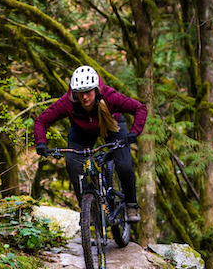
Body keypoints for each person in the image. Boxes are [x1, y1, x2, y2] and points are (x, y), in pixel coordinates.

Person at [33, 65, 146, 222]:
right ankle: (87, 208)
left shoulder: (109, 96)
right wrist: (41, 143)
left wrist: (134, 132)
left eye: (88, 92)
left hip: (112, 126)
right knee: (72, 163)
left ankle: (131, 204)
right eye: (80, 93)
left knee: (124, 165)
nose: (84, 97)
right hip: (81, 131)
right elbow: (41, 121)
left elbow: (140, 108)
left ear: (96, 89)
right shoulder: (68, 102)